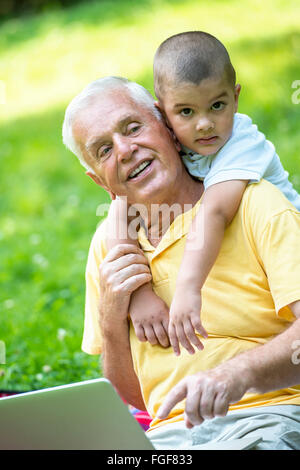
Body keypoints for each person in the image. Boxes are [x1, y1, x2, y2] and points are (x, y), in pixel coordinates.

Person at [62, 76, 300, 450]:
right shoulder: (108, 250)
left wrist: (236, 375)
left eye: (133, 127)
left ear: (168, 126)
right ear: (98, 181)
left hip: (269, 417)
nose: (124, 150)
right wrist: (111, 318)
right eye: (104, 150)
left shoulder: (256, 204)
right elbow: (138, 398)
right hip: (169, 440)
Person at [104, 31, 300, 357]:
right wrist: (139, 293)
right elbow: (121, 208)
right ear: (161, 113)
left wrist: (187, 288)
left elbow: (215, 212)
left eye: (217, 105)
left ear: (236, 98)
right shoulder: (175, 145)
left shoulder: (241, 143)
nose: (205, 124)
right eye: (186, 112)